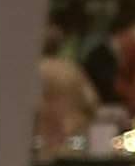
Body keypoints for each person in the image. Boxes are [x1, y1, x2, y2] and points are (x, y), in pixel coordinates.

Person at [36, 21, 101, 154]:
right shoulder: (72, 70)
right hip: (70, 134)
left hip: (41, 137)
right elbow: (92, 102)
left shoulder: (35, 70)